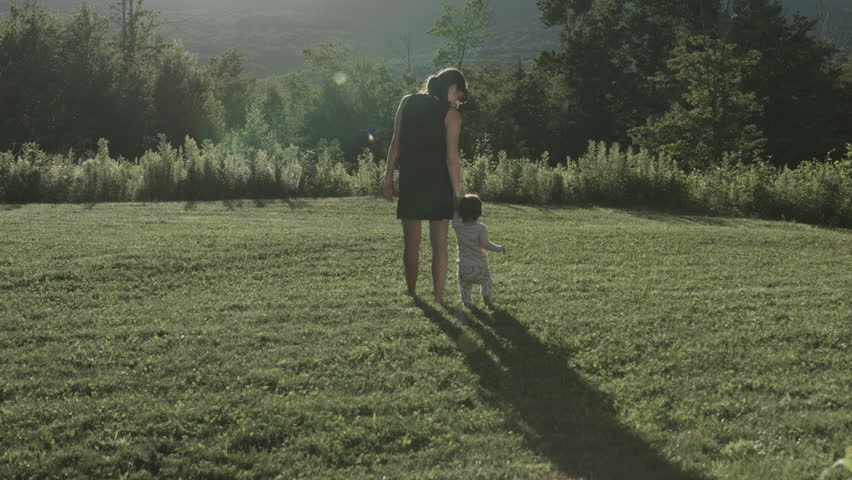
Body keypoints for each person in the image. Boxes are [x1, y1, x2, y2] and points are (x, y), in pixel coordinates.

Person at [384, 68, 469, 304]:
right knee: (439, 244)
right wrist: (457, 194)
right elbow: (452, 159)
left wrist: (388, 177)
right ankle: (439, 298)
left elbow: (396, 142)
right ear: (452, 88)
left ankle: (412, 294)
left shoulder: (407, 102)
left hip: (411, 179)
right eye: (459, 96)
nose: (458, 102)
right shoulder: (451, 115)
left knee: (411, 242)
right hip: (439, 183)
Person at [452, 194, 506, 309]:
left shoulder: (457, 226)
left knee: (465, 287)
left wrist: (457, 206)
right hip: (480, 266)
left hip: (463, 266)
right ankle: (487, 301)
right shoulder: (481, 228)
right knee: (487, 282)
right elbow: (486, 244)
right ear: (478, 212)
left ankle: (467, 303)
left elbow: (455, 216)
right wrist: (499, 248)